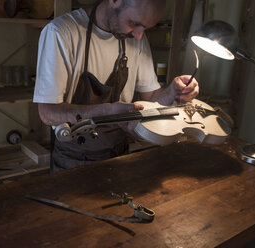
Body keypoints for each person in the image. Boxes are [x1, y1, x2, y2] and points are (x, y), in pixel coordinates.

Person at [33, 0, 199, 171]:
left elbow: (152, 100)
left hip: (120, 152)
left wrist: (173, 91)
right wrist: (107, 112)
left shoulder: (136, 38)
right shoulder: (61, 32)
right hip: (75, 159)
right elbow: (47, 112)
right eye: (134, 23)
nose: (139, 35)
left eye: (145, 28)